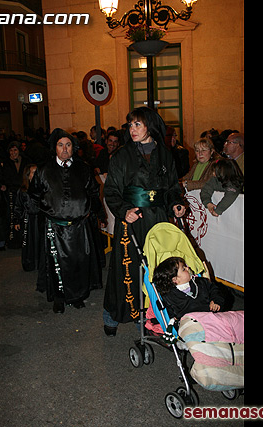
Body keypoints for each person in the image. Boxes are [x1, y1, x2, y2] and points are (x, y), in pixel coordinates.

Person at [102, 106, 187, 336]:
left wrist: (175, 204)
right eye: (130, 125)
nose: (132, 129)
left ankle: (148, 315)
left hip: (157, 219)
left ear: (149, 126)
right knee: (125, 268)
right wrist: (124, 210)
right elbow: (111, 190)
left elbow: (170, 188)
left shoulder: (165, 154)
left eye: (137, 124)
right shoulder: (121, 155)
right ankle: (112, 313)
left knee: (155, 268)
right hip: (132, 219)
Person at [28, 128, 105, 314]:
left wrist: (99, 214)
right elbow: (33, 195)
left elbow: (93, 192)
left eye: (68, 145)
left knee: (79, 262)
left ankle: (77, 296)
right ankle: (59, 298)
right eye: (60, 145)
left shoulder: (83, 168)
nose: (64, 149)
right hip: (54, 227)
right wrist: (41, 214)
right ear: (55, 148)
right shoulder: (44, 170)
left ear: (73, 147)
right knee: (56, 265)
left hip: (79, 227)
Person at [152, 256, 229, 320]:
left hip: (211, 317)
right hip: (191, 323)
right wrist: (173, 319)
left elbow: (216, 291)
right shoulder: (169, 296)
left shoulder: (201, 282)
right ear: (175, 279)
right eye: (183, 269)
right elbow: (170, 314)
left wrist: (216, 301)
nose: (188, 268)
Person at [13, 164, 43, 273]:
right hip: (28, 219)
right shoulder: (23, 191)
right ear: (27, 175)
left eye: (37, 172)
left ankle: (41, 263)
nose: (35, 175)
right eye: (33, 172)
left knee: (40, 240)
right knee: (29, 241)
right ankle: (29, 262)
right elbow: (18, 206)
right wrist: (17, 220)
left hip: (40, 219)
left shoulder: (42, 189)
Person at [2, 141, 30, 249]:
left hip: (24, 192)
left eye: (15, 150)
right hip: (12, 192)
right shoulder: (6, 163)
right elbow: (5, 177)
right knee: (12, 216)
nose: (13, 152)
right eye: (11, 150)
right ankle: (13, 240)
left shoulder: (26, 161)